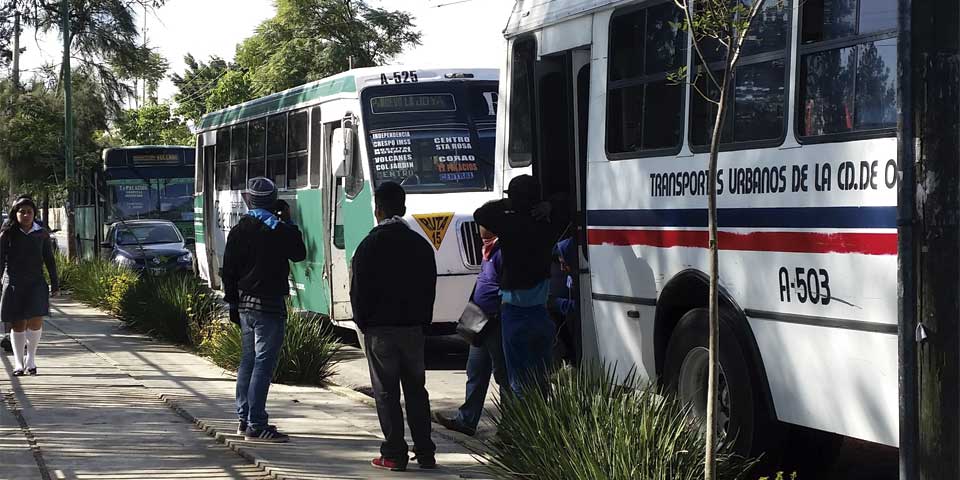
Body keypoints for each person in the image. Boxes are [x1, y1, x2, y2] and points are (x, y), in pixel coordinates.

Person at [351, 181, 438, 471]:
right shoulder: (420, 244)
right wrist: (423, 320)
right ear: (403, 207)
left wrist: (363, 322)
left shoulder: (369, 245)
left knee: (386, 393)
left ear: (378, 209)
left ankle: (394, 453)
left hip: (380, 330)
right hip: (412, 328)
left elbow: (358, 291)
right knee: (417, 391)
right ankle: (425, 452)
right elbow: (429, 287)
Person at [222, 177, 306, 443]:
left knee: (247, 361)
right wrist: (289, 220)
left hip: (245, 305)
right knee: (263, 364)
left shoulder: (239, 230)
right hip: (269, 307)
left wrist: (233, 304)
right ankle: (257, 424)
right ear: (274, 201)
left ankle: (243, 419)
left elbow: (229, 272)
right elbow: (299, 253)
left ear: (249, 200)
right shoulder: (279, 230)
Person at [473, 175, 568, 396]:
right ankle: (542, 414)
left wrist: (507, 203)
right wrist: (549, 205)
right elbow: (567, 201)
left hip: (514, 313)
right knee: (541, 377)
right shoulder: (547, 225)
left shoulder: (509, 224)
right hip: (541, 313)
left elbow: (480, 214)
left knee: (518, 381)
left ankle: (523, 416)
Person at [434, 226, 508, 436]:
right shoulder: (488, 251)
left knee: (502, 374)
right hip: (478, 321)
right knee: (475, 371)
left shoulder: (501, 251)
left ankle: (509, 429)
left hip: (494, 322)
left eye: (484, 227)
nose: (480, 232)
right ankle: (466, 420)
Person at [0, 197, 59, 376]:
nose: (26, 215)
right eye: (22, 212)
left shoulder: (41, 233)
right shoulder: (7, 233)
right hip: (14, 282)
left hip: (36, 282)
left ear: (34, 214)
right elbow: (0, 260)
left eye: (29, 212)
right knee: (17, 323)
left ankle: (30, 359)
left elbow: (49, 260)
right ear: (15, 213)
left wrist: (55, 283)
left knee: (35, 322)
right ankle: (18, 363)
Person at [548, 237, 578, 365]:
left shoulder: (584, 278)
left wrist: (555, 303)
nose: (562, 268)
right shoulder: (570, 276)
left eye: (564, 263)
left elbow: (581, 307)